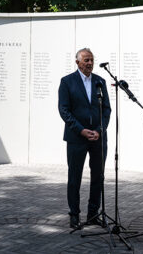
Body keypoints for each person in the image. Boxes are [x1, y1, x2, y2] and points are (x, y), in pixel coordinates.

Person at [58, 48, 111, 229]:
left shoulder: (100, 81)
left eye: (91, 60)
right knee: (75, 178)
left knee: (98, 176)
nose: (89, 63)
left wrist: (100, 130)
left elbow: (106, 109)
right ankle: (74, 216)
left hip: (98, 138)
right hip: (76, 138)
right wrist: (81, 130)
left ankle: (93, 214)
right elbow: (64, 110)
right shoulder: (67, 82)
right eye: (86, 60)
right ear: (77, 62)